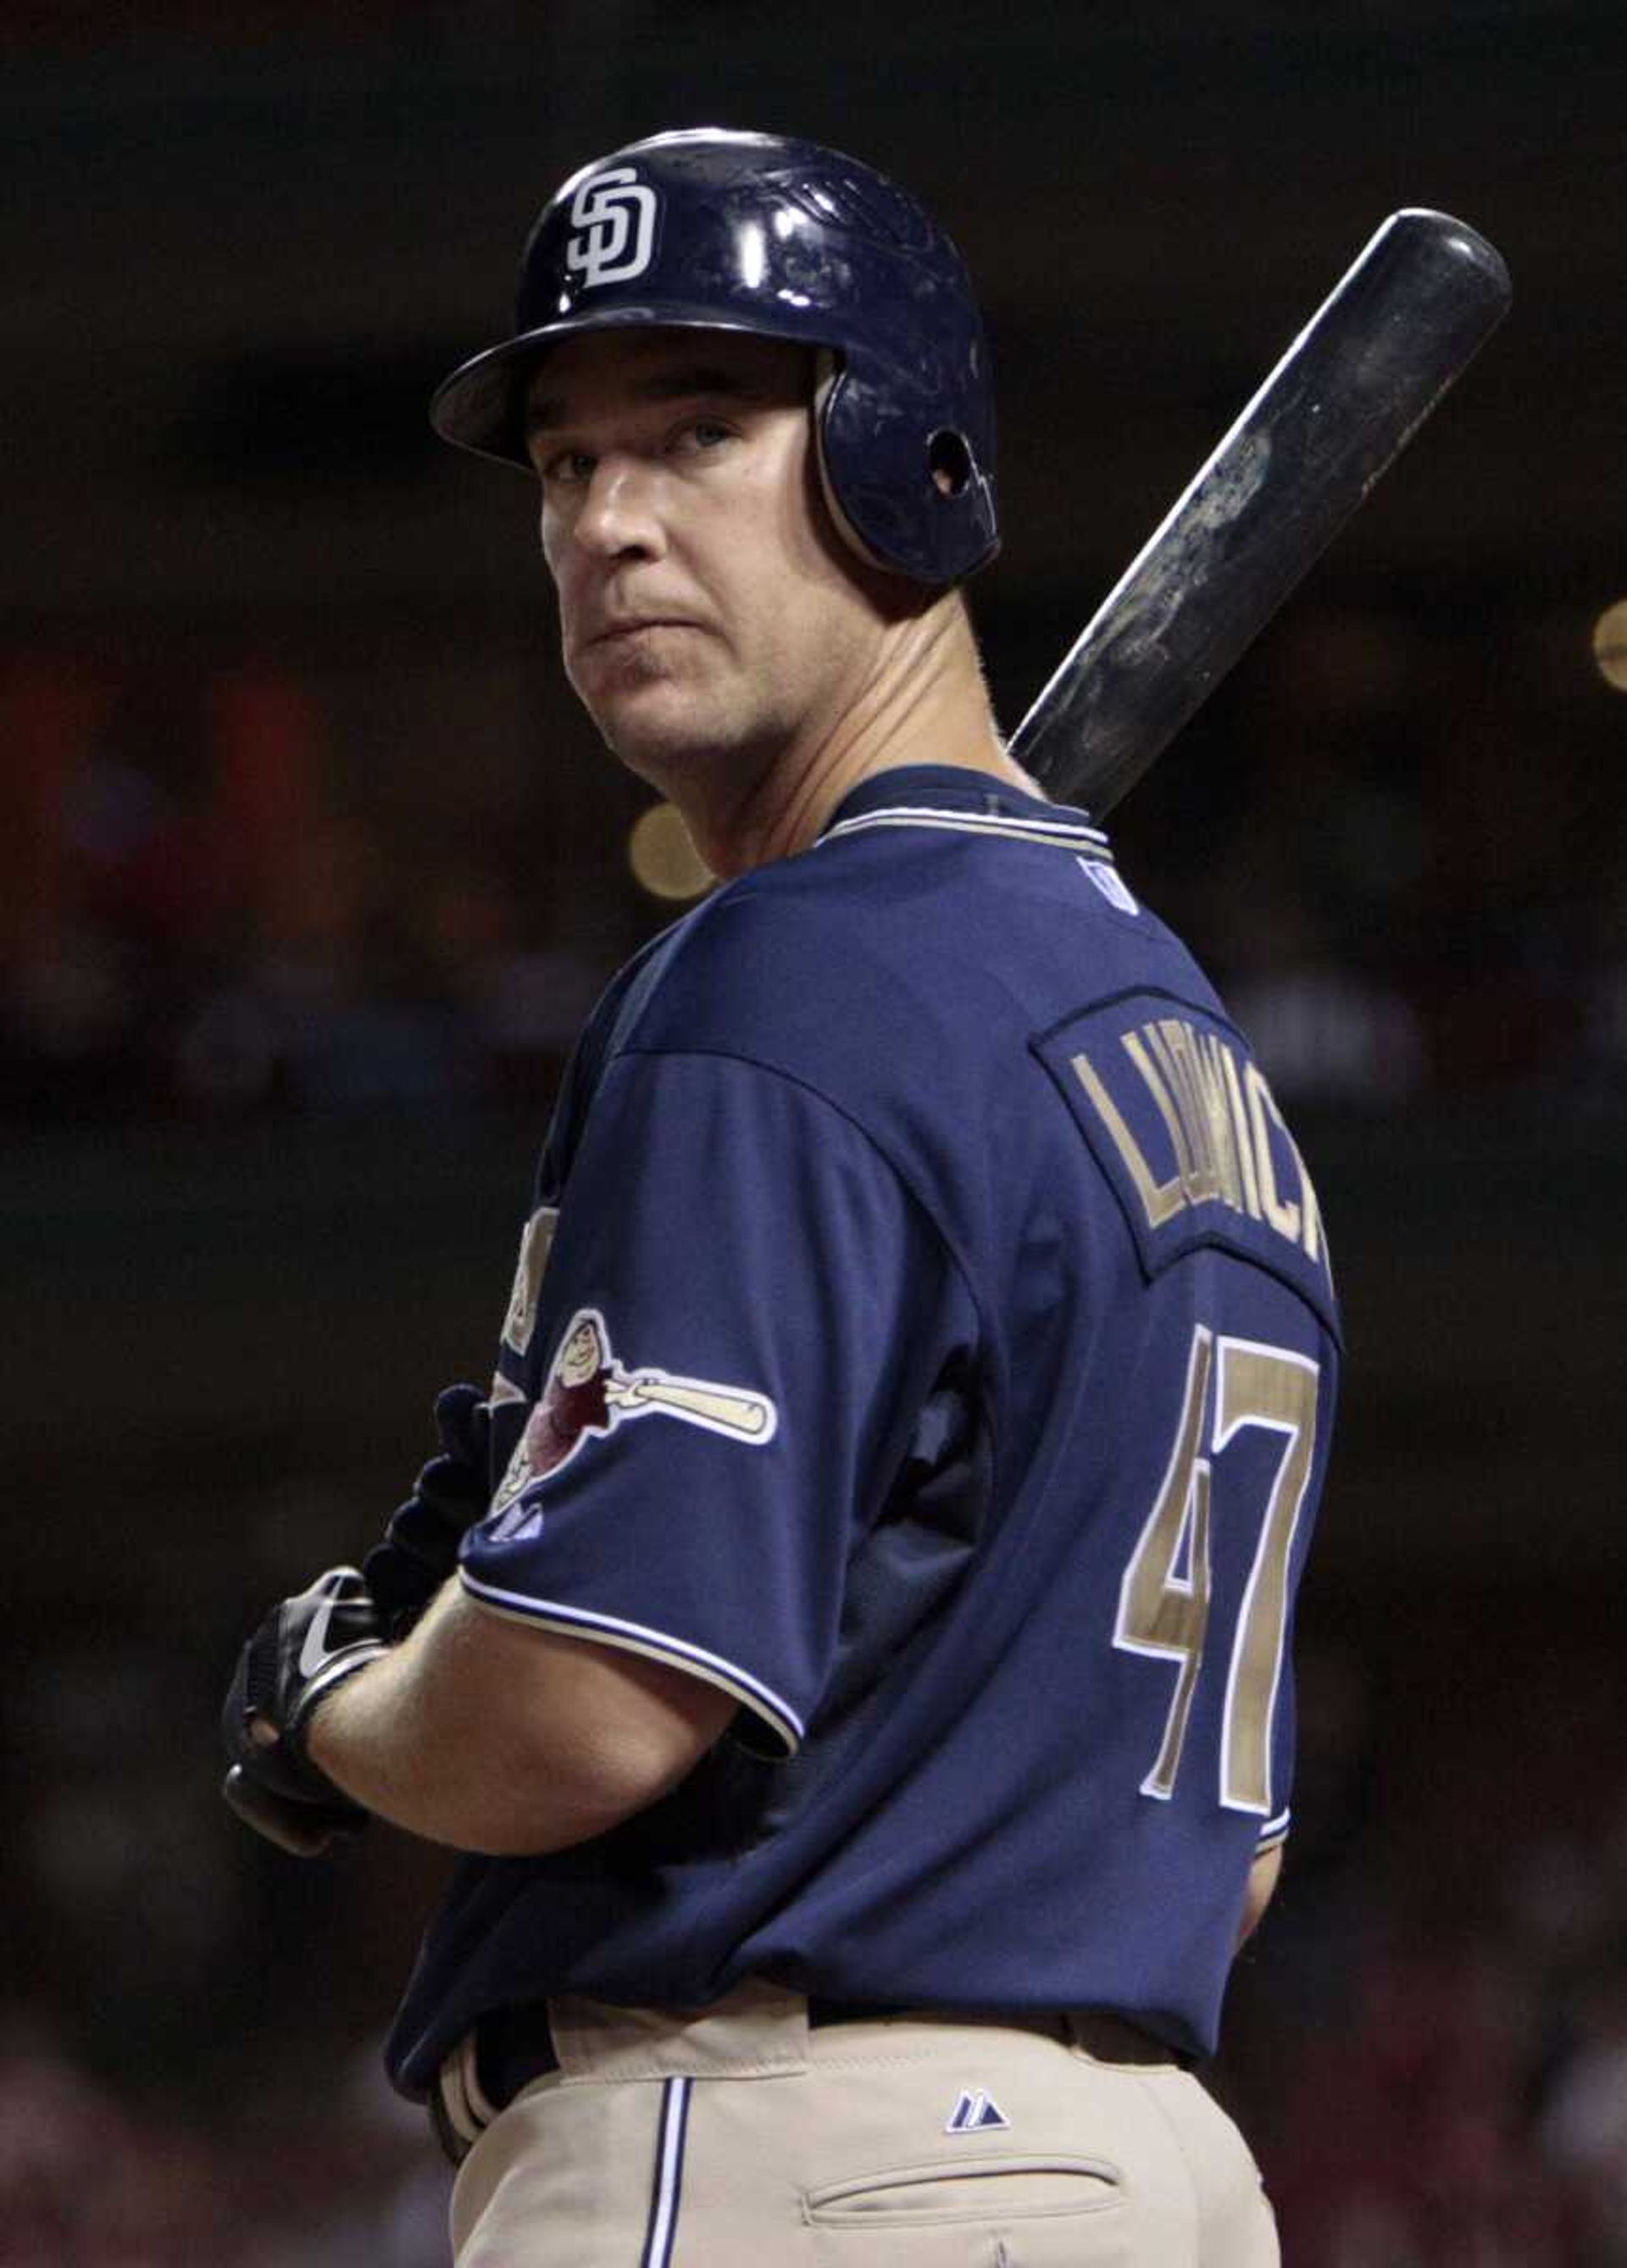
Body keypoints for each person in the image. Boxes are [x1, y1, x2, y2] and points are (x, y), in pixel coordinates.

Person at [222, 127, 1341, 2265]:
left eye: (701, 432)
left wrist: (330, 1704)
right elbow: (1235, 1849)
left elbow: (576, 1704)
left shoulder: (794, 980)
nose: (609, 524)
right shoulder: (1183, 1046)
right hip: (1149, 2175)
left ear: (904, 459)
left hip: (796, 2163)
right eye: (564, 468)